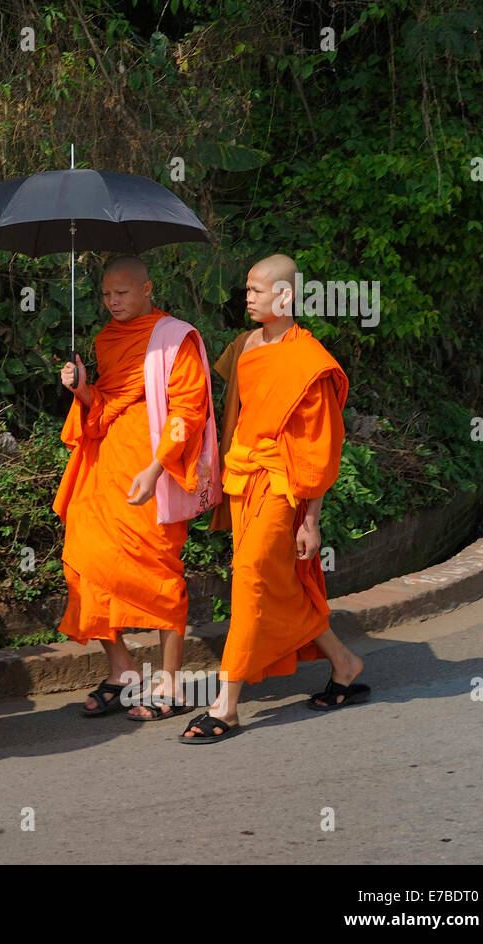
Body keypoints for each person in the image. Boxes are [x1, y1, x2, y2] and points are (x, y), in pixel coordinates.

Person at [181, 254, 368, 743]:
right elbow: (231, 416)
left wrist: (312, 519)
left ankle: (226, 705)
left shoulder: (310, 363)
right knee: (277, 585)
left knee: (249, 583)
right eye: (246, 289)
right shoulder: (244, 346)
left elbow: (318, 451)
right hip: (242, 480)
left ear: (285, 297)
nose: (247, 297)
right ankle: (345, 663)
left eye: (257, 290)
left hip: (282, 486)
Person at [54, 256, 217, 720]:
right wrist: (84, 389)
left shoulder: (174, 337)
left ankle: (170, 684)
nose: (112, 302)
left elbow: (189, 411)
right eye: (106, 294)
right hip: (106, 471)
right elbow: (107, 406)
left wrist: (157, 467)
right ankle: (123, 669)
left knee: (160, 574)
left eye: (122, 294)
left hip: (153, 476)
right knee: (85, 564)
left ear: (148, 289)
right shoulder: (108, 339)